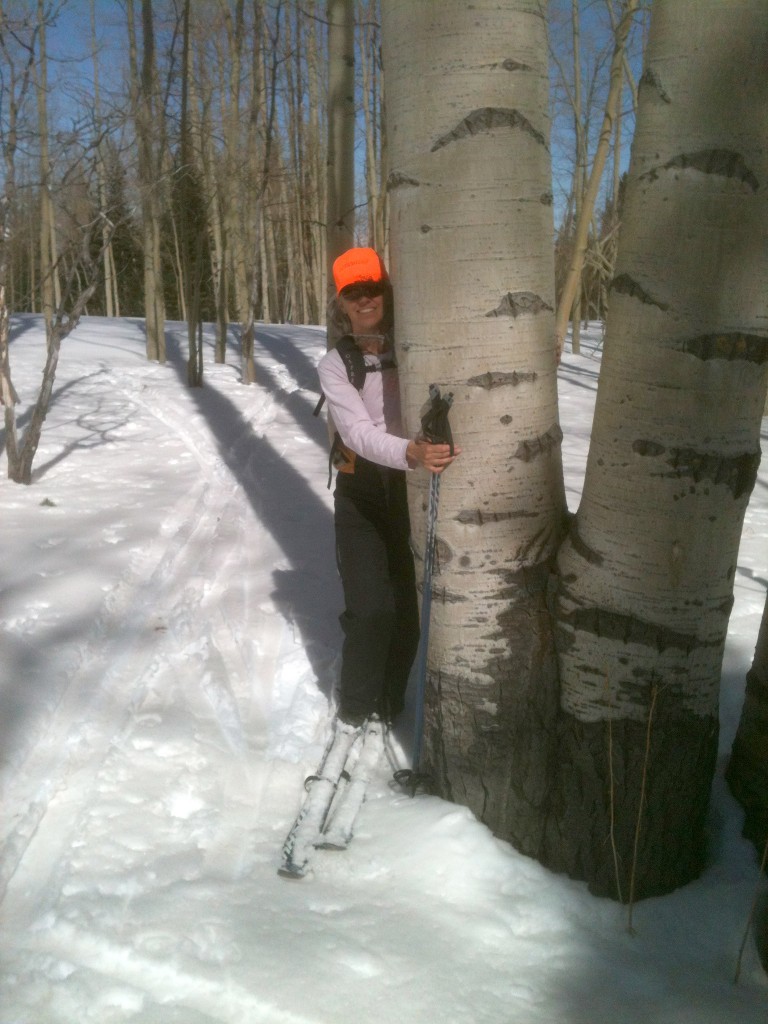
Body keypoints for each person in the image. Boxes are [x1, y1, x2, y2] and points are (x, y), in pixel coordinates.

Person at [317, 246, 458, 728]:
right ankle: (355, 706)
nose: (364, 299)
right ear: (341, 302)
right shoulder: (337, 364)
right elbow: (355, 432)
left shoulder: (416, 345)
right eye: (352, 293)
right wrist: (409, 452)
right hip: (361, 492)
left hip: (410, 493)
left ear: (386, 290)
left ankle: (390, 701)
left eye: (371, 288)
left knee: (408, 609)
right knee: (369, 607)